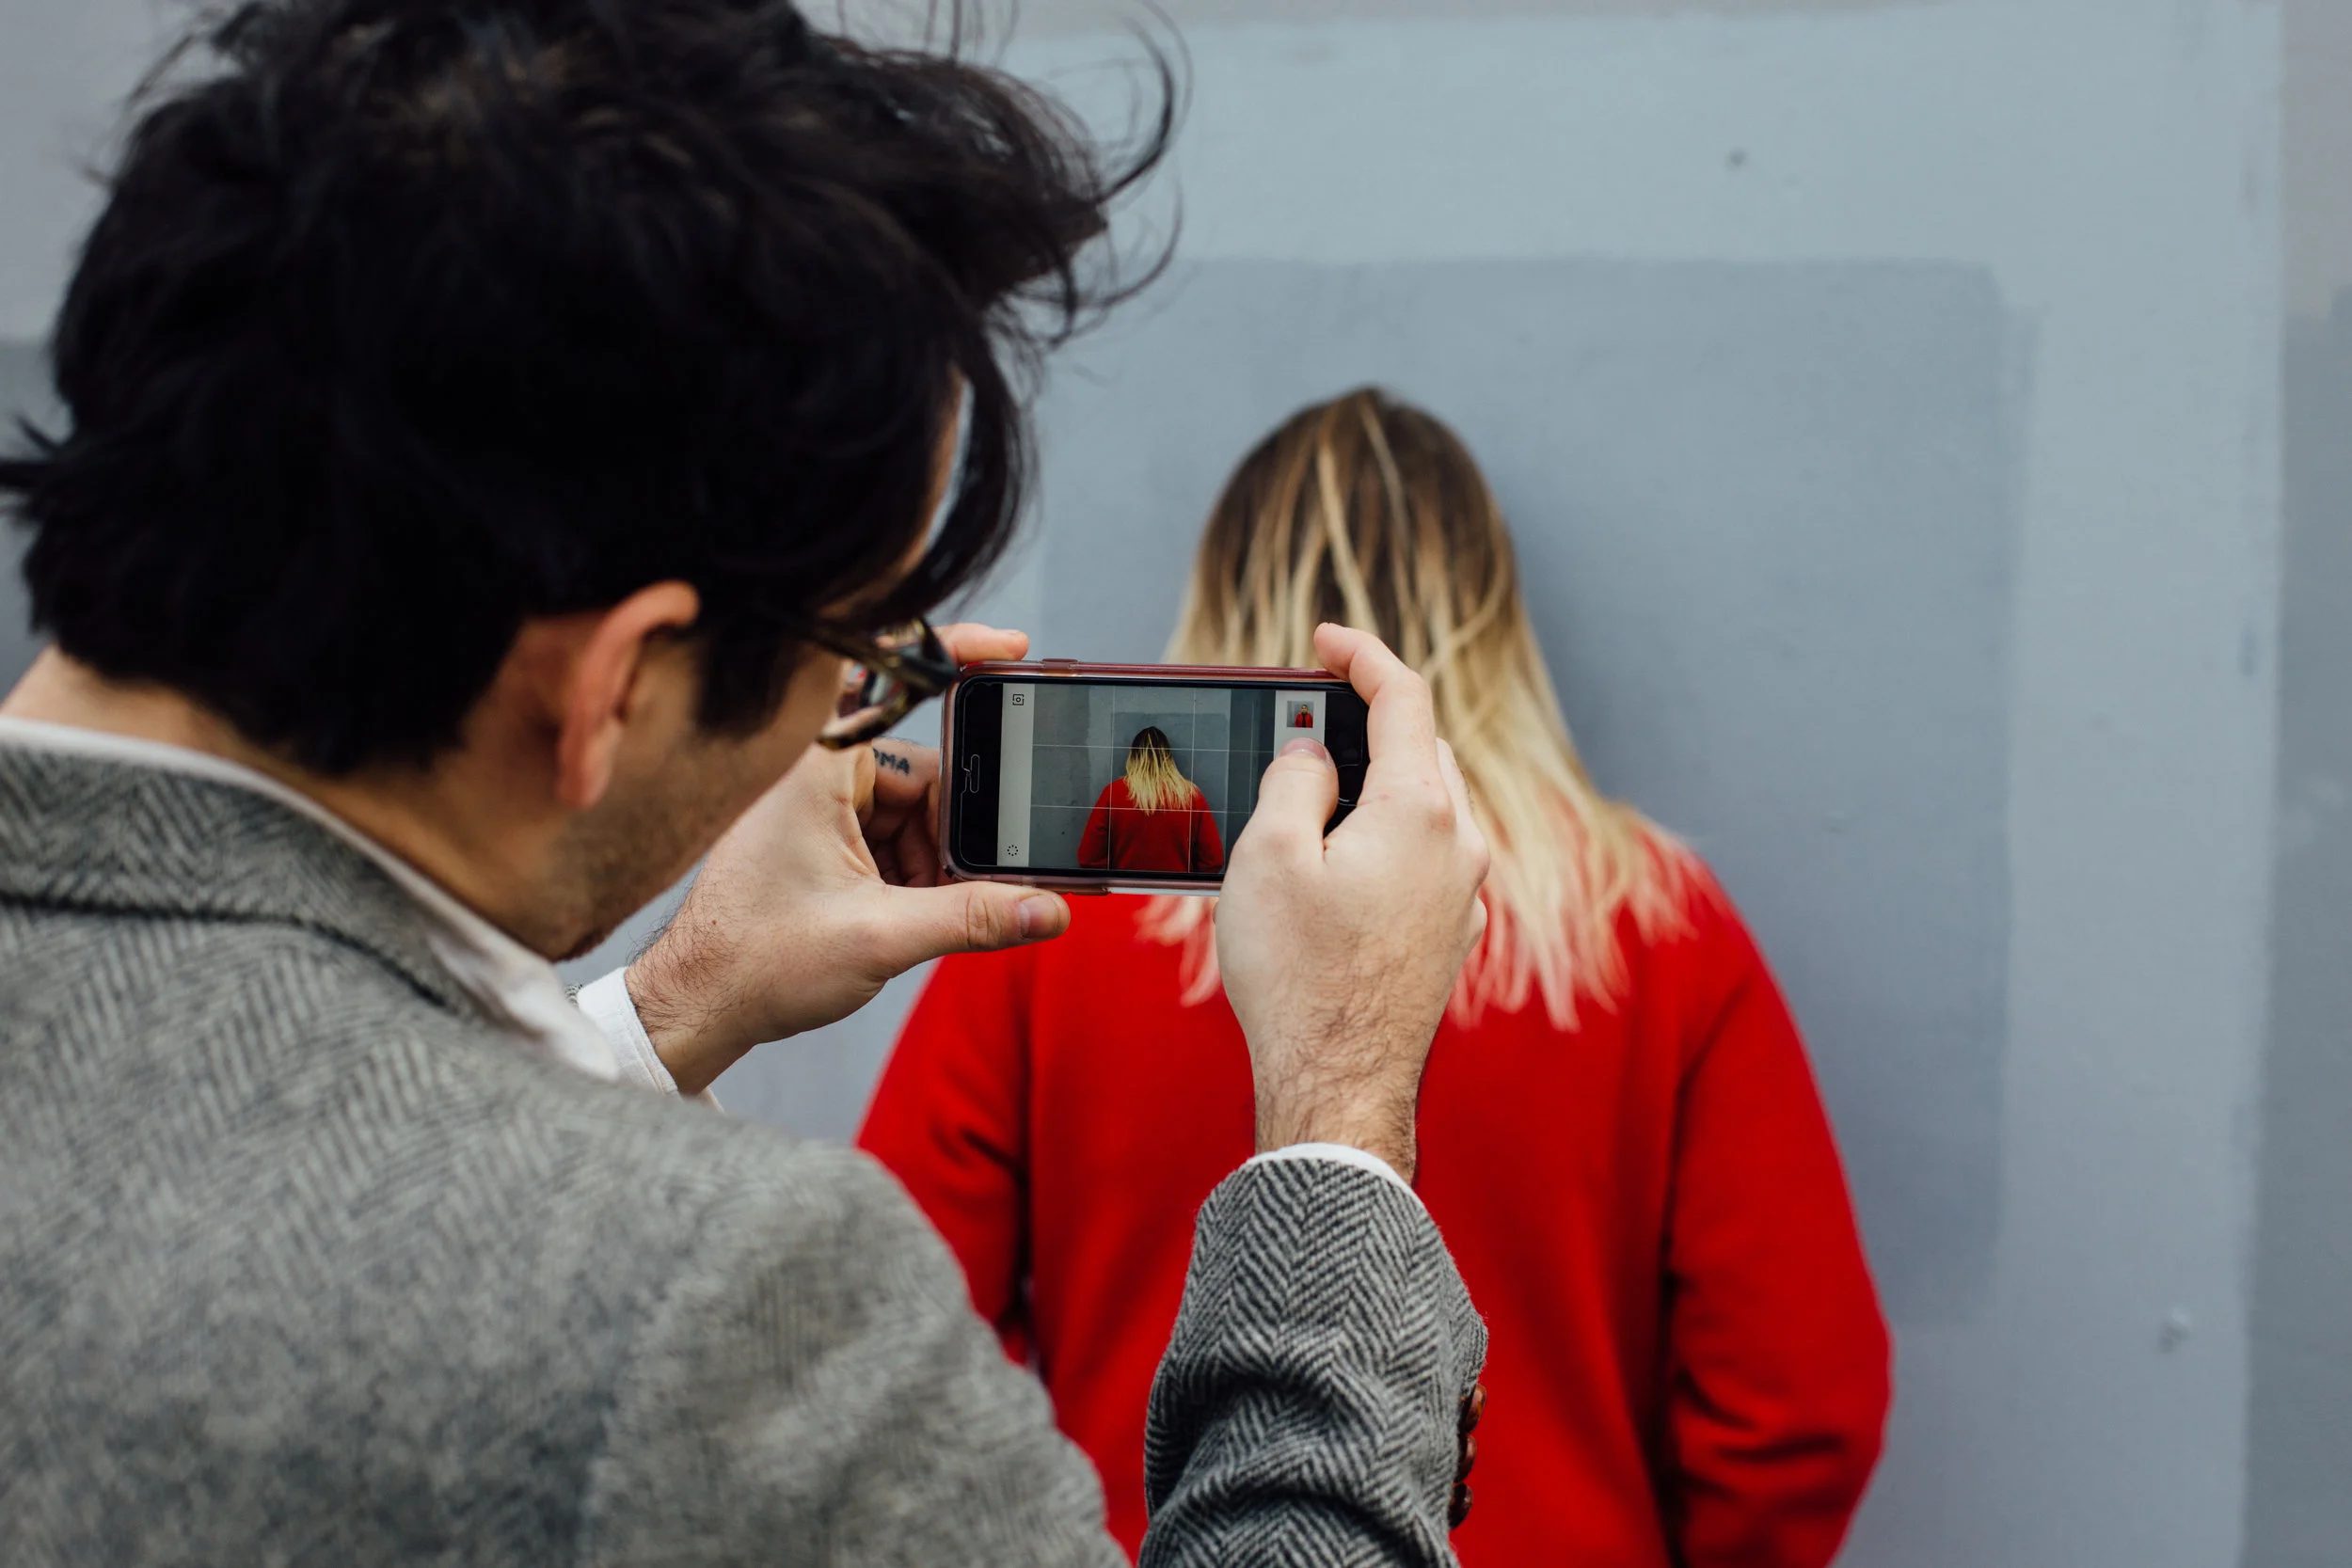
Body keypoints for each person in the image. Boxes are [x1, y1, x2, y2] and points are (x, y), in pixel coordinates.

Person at [0, 8, 1498, 1562]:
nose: (855, 715)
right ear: (615, 689)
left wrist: (663, 1016)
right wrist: (1335, 1107)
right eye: (860, 644)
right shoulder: (716, 1303)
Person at [862, 388, 1894, 1565]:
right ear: (1492, 618)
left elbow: (897, 1322)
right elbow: (1799, 1407)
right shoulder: (1654, 926)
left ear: (1218, 602)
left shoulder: (1055, 925)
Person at [1077, 726, 1226, 875]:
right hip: (1175, 894)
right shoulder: (1191, 796)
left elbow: (1088, 859)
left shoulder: (1113, 793)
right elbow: (1213, 861)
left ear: (1133, 757)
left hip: (1125, 891)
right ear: (1168, 757)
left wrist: (1116, 876)